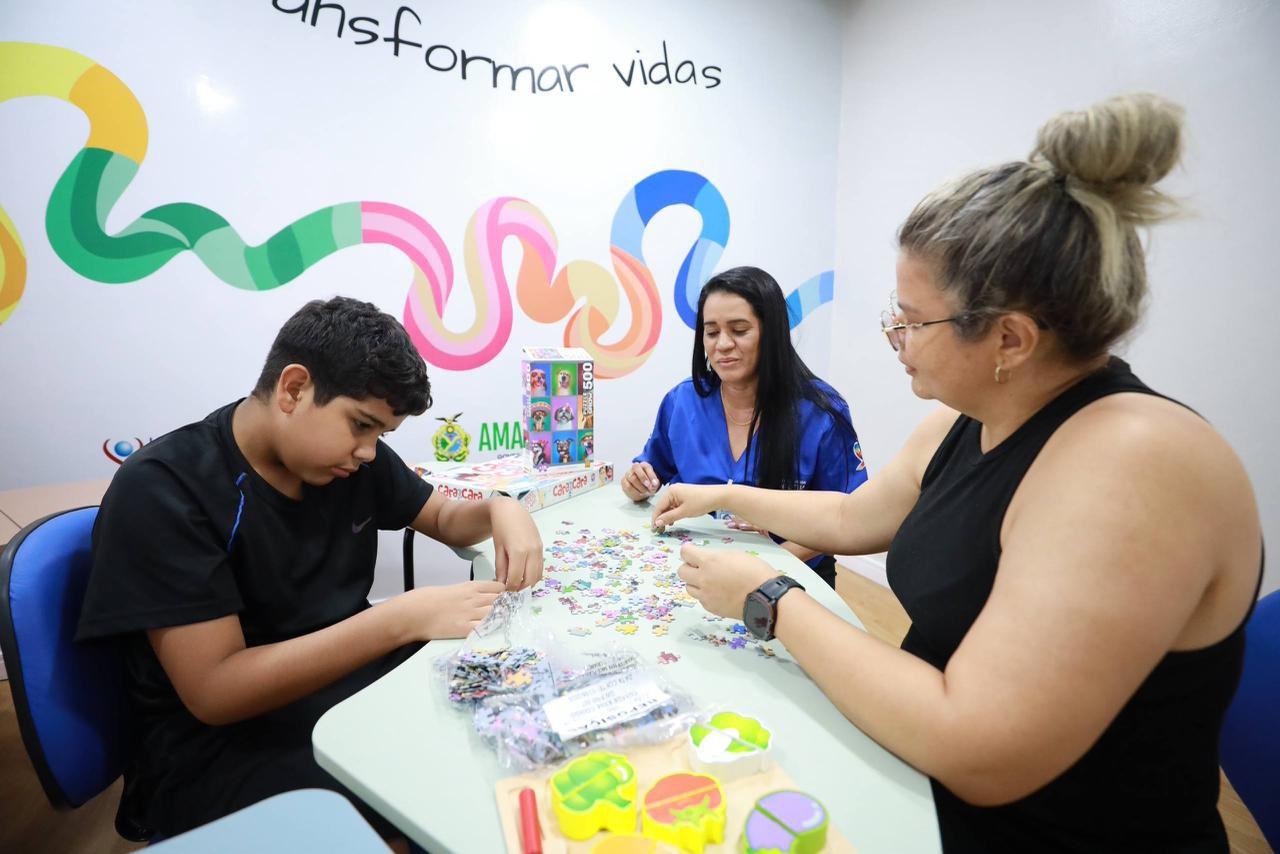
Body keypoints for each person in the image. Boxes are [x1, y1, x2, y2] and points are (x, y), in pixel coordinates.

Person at [651, 94, 1263, 851]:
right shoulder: (967, 416)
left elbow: (979, 748)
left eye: (912, 319)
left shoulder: (1138, 463)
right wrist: (719, 491)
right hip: (919, 778)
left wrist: (770, 599)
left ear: (1010, 339)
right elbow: (851, 517)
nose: (895, 336)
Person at [76, 296, 544, 839]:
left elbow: (441, 516)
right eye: (361, 425)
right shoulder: (164, 489)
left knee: (503, 718)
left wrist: (500, 508)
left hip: (339, 689)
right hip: (215, 750)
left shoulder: (350, 462)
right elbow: (216, 691)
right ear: (294, 389)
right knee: (442, 781)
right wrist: (400, 619)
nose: (369, 452)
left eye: (381, 436)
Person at [622, 266, 868, 588]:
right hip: (696, 568)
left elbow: (850, 517)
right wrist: (638, 482)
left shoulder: (822, 412)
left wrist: (775, 562)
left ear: (772, 333)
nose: (723, 344)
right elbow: (651, 469)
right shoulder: (682, 401)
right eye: (711, 332)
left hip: (792, 575)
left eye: (739, 330)